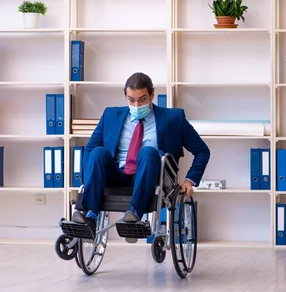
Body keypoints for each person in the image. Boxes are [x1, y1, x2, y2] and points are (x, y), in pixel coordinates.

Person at [70, 72, 210, 242]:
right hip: (115, 174)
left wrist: (190, 180)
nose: (136, 104)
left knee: (149, 151)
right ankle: (90, 216)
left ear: (152, 95)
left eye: (142, 99)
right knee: (98, 152)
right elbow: (90, 149)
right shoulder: (110, 115)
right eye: (131, 100)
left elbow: (202, 151)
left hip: (149, 176)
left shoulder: (173, 118)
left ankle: (134, 216)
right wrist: (88, 180)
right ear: (126, 97)